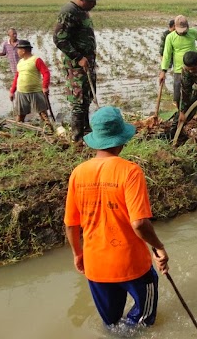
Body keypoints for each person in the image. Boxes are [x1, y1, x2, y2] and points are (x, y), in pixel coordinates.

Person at [64, 106, 169, 329]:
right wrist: (159, 247)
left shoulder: (78, 173)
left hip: (96, 265)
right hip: (132, 264)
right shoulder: (130, 171)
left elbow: (71, 224)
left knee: (111, 324)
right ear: (122, 139)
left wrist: (77, 254)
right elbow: (139, 222)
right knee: (142, 322)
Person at [53, 0, 100, 143]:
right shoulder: (69, 11)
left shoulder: (82, 11)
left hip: (87, 64)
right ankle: (78, 139)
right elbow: (59, 39)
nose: (94, 4)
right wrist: (78, 58)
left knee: (86, 99)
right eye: (92, 0)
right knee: (79, 101)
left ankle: (87, 132)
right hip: (77, 66)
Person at [159, 15, 197, 109]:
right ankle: (179, 111)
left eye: (184, 30)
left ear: (188, 27)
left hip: (194, 67)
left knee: (196, 91)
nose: (182, 33)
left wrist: (196, 53)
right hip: (179, 69)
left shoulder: (193, 32)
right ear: (174, 27)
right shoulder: (170, 37)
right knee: (177, 93)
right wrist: (163, 71)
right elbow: (167, 55)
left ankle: (192, 110)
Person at [9, 40, 52, 128]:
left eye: (18, 50)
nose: (17, 52)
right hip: (21, 92)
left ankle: (49, 129)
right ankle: (18, 130)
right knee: (20, 114)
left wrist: (45, 86)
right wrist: (12, 91)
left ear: (24, 50)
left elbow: (46, 73)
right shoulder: (20, 62)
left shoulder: (36, 60)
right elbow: (17, 77)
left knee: (42, 113)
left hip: (35, 91)